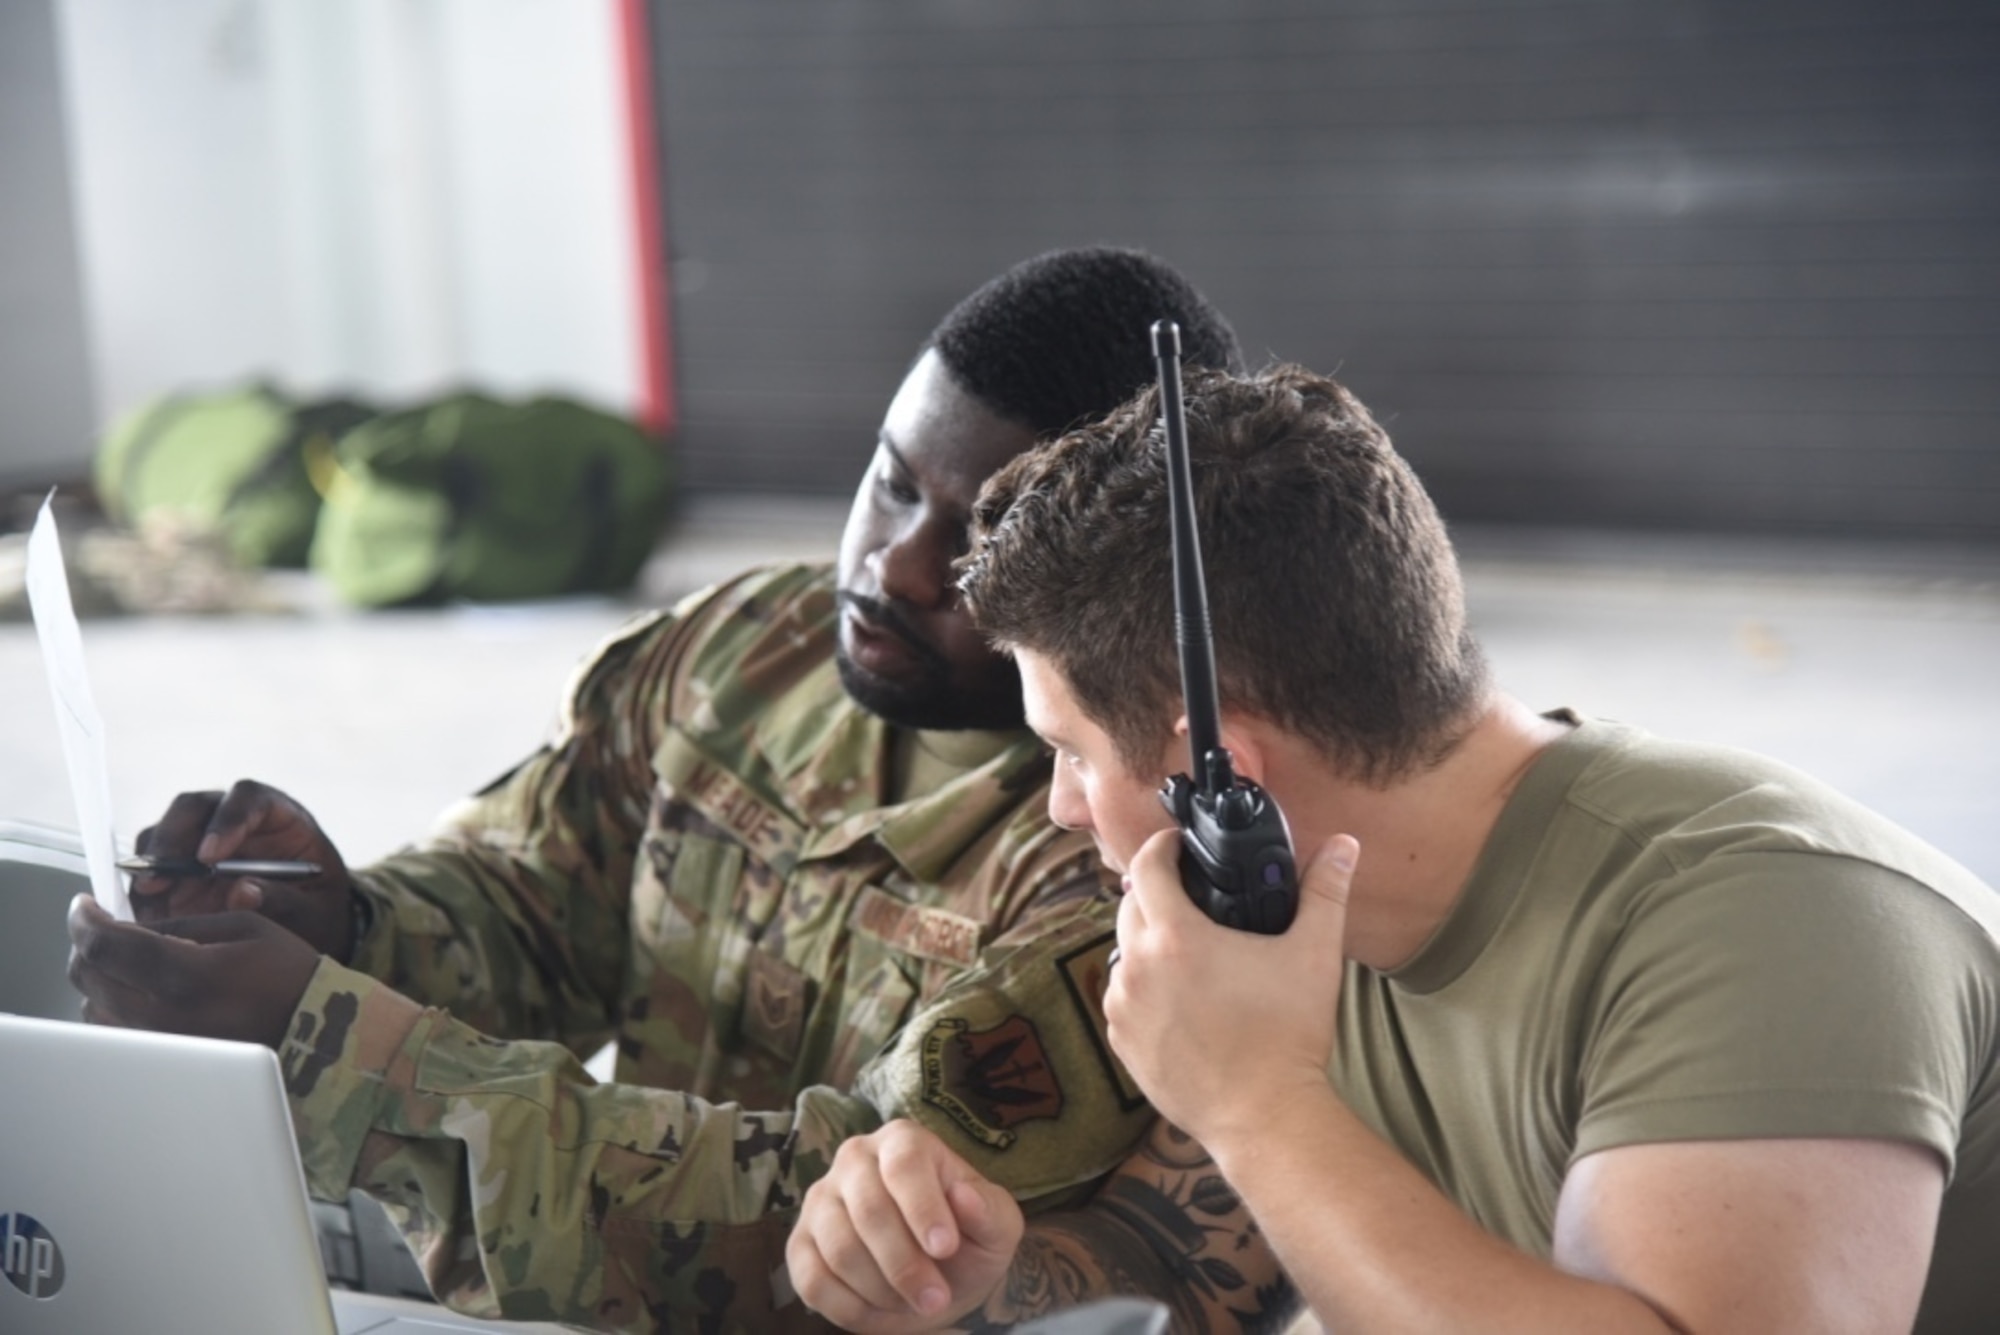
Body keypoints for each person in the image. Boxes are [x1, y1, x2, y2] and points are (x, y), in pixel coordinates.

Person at [63, 248, 1245, 1333]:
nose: (893, 565)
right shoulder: (747, 651)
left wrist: (328, 1042)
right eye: (890, 485)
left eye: (973, 544)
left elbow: (811, 1231)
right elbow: (532, 895)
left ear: (1108, 590)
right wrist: (343, 925)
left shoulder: (1114, 858)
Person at [786, 364, 2000, 1333]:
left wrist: (1260, 1107)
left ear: (1222, 775)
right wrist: (978, 1285)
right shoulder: (1287, 920)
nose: (1056, 807)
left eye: (1067, 752)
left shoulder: (1766, 920)